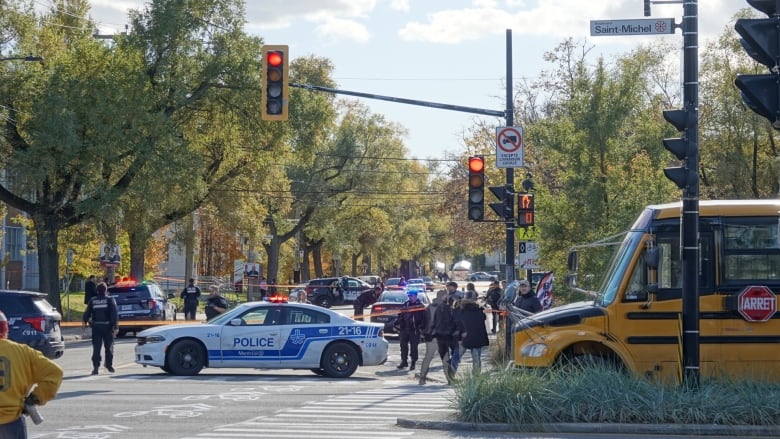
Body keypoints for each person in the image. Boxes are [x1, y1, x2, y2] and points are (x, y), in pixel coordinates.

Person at [0, 310, 63, 438]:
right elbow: (55, 373)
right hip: (11, 420)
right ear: (6, 328)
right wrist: (34, 399)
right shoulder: (23, 352)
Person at [82, 282, 119, 375]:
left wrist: (84, 324)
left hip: (96, 327)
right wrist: (116, 327)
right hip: (107, 327)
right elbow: (114, 314)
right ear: (106, 290)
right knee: (109, 347)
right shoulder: (110, 300)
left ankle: (95, 367)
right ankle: (109, 365)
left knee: (96, 348)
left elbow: (86, 313)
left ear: (97, 291)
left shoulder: (92, 300)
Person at [418, 289, 450, 385]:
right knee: (445, 358)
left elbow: (423, 321)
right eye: (446, 296)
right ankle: (450, 379)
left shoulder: (429, 307)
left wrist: (424, 332)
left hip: (430, 336)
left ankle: (422, 378)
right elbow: (447, 322)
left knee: (428, 357)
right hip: (441, 336)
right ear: (443, 297)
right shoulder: (445, 307)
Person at [394, 289, 426, 370]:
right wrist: (396, 324)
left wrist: (421, 328)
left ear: (415, 296)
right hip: (404, 329)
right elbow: (400, 315)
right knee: (403, 346)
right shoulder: (406, 304)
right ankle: (404, 361)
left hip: (414, 330)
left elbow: (425, 318)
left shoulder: (420, 306)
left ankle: (413, 362)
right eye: (409, 296)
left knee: (414, 347)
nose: (409, 297)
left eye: (411, 295)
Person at [455, 299, 490, 374]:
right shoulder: (480, 311)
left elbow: (458, 325)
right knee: (476, 358)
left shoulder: (461, 313)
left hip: (465, 338)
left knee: (457, 357)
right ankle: (476, 376)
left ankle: (451, 374)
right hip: (478, 338)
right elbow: (484, 319)